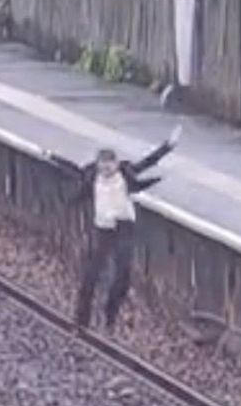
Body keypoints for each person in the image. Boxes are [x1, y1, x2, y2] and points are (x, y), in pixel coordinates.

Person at [46, 124, 181, 330]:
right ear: (99, 165)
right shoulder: (92, 176)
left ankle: (110, 314)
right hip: (103, 229)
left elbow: (149, 161)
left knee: (122, 276)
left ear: (116, 164)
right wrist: (51, 157)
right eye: (103, 166)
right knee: (91, 275)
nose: (107, 170)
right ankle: (81, 320)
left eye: (110, 166)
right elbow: (71, 170)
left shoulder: (125, 173)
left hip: (123, 226)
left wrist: (168, 146)